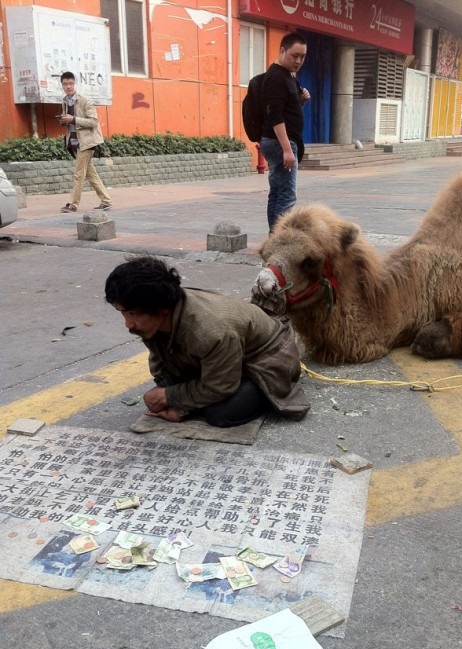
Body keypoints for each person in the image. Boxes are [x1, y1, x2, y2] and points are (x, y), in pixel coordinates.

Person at [105, 256, 310, 427]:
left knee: (220, 414)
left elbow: (220, 386)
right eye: (123, 313)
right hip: (228, 353)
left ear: (161, 310)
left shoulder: (211, 331)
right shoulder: (157, 318)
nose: (128, 324)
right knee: (172, 388)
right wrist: (169, 390)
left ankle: (263, 395)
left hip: (268, 357)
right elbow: (160, 361)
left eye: (132, 313)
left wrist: (173, 399)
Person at [260, 32, 310, 232]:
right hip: (280, 142)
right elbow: (275, 116)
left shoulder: (288, 76)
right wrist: (287, 150)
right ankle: (281, 240)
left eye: (302, 57)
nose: (298, 61)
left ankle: (274, 238)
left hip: (278, 142)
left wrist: (301, 101)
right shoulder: (275, 77)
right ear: (282, 50)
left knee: (278, 192)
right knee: (287, 195)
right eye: (294, 55)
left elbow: (288, 111)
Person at [58, 71, 112, 213]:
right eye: (65, 84)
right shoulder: (64, 100)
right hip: (75, 143)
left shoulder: (85, 101)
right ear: (62, 85)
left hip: (86, 143)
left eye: (70, 83)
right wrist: (64, 121)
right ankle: (106, 200)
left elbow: (93, 122)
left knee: (78, 174)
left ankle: (73, 204)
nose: (68, 86)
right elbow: (70, 122)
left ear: (75, 84)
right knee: (90, 174)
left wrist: (73, 119)